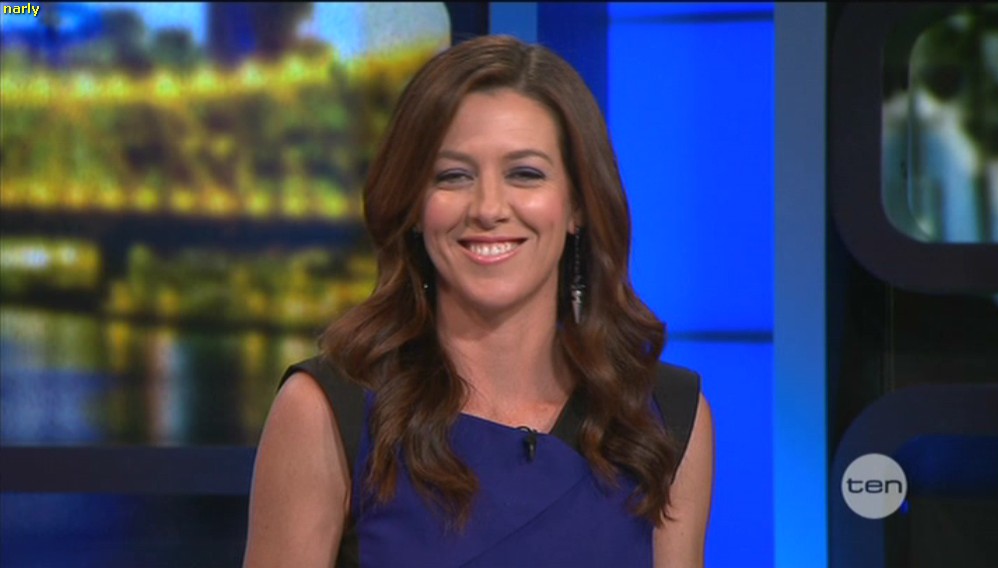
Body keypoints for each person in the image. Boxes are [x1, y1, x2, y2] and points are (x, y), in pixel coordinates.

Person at [244, 34, 713, 567]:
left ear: (578, 204)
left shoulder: (663, 417)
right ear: (414, 207)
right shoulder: (326, 411)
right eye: (454, 176)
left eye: (525, 174)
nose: (488, 208)